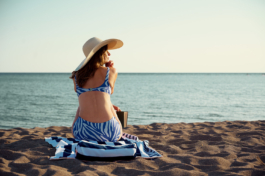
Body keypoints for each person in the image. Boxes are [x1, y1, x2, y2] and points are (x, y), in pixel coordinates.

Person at [69, 37, 123, 142]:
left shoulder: (76, 76)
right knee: (110, 105)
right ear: (100, 53)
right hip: (110, 133)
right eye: (107, 51)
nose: (109, 54)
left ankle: (76, 127)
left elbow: (91, 96)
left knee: (81, 104)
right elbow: (107, 94)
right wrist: (109, 68)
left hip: (82, 133)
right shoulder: (111, 72)